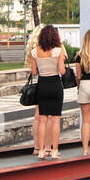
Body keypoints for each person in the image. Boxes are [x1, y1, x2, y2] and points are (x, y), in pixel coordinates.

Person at [30, 25, 66, 160]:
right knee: (55, 119)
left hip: (42, 85)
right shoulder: (58, 51)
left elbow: (34, 72)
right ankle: (54, 150)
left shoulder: (34, 52)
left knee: (42, 119)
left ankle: (41, 151)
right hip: (55, 85)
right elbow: (62, 71)